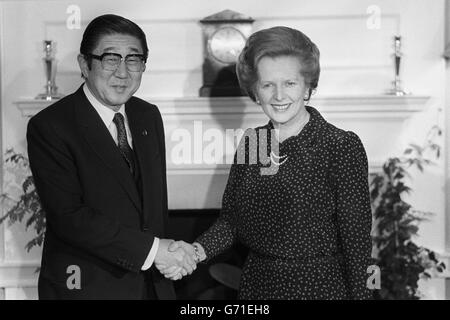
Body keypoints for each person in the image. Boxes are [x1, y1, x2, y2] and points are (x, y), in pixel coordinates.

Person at [166, 26, 374, 299]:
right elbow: (231, 222)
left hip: (319, 289)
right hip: (257, 287)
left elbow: (359, 244)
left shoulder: (339, 146)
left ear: (308, 84)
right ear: (254, 89)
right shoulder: (254, 143)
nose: (278, 96)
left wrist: (367, 295)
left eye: (289, 83)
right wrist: (195, 251)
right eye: (267, 85)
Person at [27, 14, 196, 300]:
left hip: (152, 287)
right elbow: (69, 218)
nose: (123, 72)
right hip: (86, 287)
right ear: (84, 64)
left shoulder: (147, 115)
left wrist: (167, 260)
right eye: (110, 59)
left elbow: (154, 206)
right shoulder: (51, 126)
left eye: (133, 59)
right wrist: (155, 250)